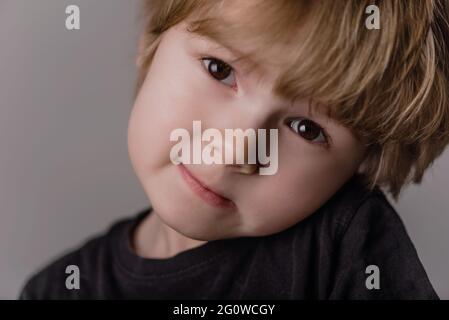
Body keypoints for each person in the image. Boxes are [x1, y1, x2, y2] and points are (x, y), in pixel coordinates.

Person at [20, 0, 449, 299]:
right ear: (151, 42)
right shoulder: (57, 289)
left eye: (306, 128)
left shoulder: (345, 249)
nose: (233, 153)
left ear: (364, 163)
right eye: (219, 70)